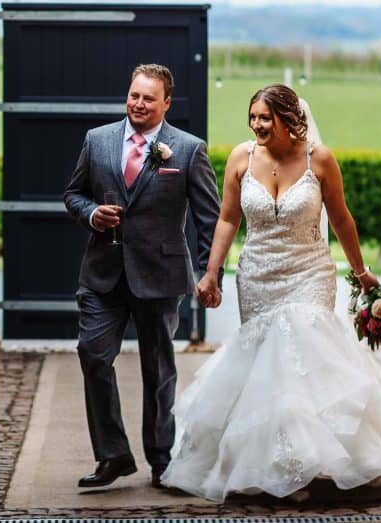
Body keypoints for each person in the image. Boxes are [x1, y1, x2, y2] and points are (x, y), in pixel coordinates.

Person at [161, 83, 381, 502]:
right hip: (257, 276)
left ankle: (303, 468)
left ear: (289, 119)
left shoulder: (319, 160)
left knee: (300, 349)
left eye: (265, 118)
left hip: (309, 272)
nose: (257, 125)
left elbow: (341, 219)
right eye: (252, 117)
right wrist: (211, 272)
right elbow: (228, 220)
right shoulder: (241, 157)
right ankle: (274, 464)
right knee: (266, 367)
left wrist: (361, 272)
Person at [63, 63, 221, 490]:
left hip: (160, 275)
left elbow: (210, 218)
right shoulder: (97, 141)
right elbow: (73, 194)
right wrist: (92, 214)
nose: (138, 103)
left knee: (158, 369)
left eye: (148, 98)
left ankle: (160, 459)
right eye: (134, 95)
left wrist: (211, 273)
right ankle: (113, 455)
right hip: (102, 274)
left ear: (166, 103)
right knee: (93, 355)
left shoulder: (187, 150)